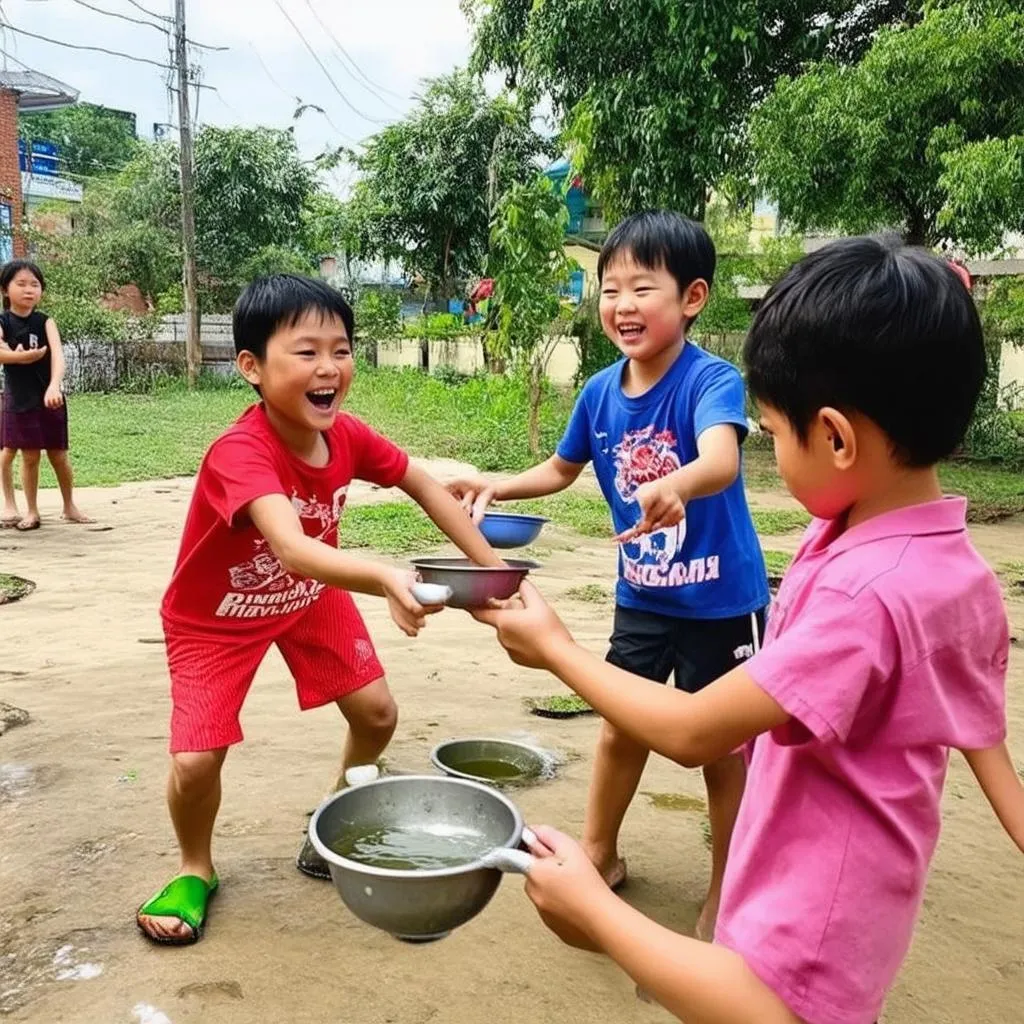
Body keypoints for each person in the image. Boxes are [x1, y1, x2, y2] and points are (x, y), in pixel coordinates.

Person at [472, 236, 1023, 1024]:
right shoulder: (923, 553)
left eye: (771, 432)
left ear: (834, 437)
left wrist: (596, 913)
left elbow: (697, 733)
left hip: (813, 916)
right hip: (807, 876)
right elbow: (978, 722)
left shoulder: (868, 593)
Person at [137, 274, 504, 946]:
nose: (329, 367)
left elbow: (421, 481)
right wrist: (386, 576)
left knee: (377, 713)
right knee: (196, 761)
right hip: (215, 618)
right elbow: (293, 547)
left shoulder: (349, 437)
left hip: (306, 601)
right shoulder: (239, 452)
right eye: (306, 352)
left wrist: (492, 568)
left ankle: (333, 811)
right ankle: (194, 868)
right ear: (251, 366)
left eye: (341, 349)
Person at [449, 210, 769, 937]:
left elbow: (721, 460)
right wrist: (497, 482)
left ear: (692, 298)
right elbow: (563, 469)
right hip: (644, 597)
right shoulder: (598, 392)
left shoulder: (709, 379)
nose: (622, 305)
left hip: (723, 602)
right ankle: (601, 850)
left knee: (723, 751)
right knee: (621, 727)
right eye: (610, 289)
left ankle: (729, 887)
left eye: (642, 288)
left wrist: (680, 484)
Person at [0, 260, 92, 530]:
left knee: (59, 455)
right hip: (20, 400)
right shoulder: (3, 322)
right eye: (21, 284)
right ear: (6, 290)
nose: (29, 290)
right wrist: (22, 358)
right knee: (30, 456)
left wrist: (55, 385)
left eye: (35, 285)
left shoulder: (45, 321)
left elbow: (58, 357)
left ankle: (69, 506)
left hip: (50, 399)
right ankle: (31, 511)